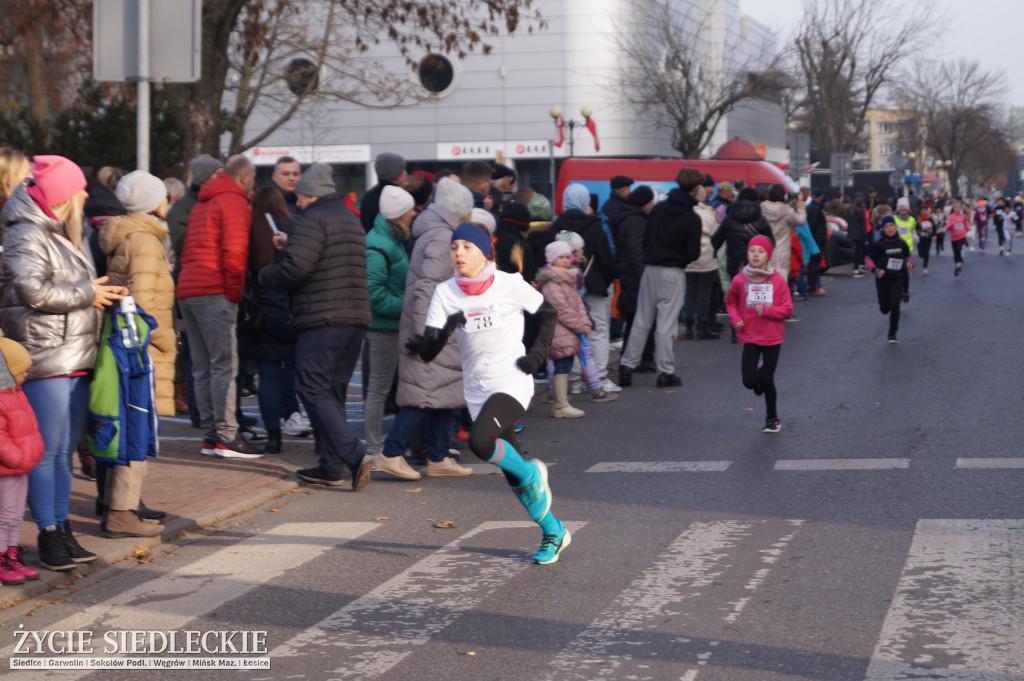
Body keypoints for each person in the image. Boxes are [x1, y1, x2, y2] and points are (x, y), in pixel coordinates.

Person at [408, 222, 569, 564]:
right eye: (454, 247)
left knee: (480, 443)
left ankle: (532, 472)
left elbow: (548, 314)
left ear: (484, 251)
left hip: (511, 381)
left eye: (467, 246)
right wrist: (446, 328)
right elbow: (427, 354)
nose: (459, 253)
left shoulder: (508, 284)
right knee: (511, 471)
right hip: (477, 389)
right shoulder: (446, 292)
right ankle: (554, 531)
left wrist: (537, 356)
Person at [0, 155, 126, 570]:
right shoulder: (27, 234)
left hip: (73, 355)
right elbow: (32, 291)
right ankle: (49, 534)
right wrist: (89, 294)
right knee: (47, 451)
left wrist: (99, 293)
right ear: (62, 197)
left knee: (64, 452)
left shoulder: (61, 232)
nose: (86, 194)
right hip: (46, 356)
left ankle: (61, 528)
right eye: (79, 188)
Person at [259, 162, 375, 489]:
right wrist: (292, 240)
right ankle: (331, 465)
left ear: (310, 195)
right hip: (354, 317)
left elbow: (296, 269)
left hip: (323, 317)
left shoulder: (312, 219)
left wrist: (265, 275)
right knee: (332, 391)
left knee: (310, 386)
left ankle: (352, 455)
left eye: (299, 196)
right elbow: (322, 255)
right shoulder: (348, 220)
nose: (295, 202)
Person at [388, 178, 476, 477]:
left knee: (442, 393)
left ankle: (438, 457)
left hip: (442, 326)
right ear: (460, 214)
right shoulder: (443, 238)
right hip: (435, 328)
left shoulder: (437, 233)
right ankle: (391, 452)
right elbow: (428, 286)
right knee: (423, 394)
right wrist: (428, 331)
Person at [177, 155, 263, 458]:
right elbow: (235, 252)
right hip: (214, 289)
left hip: (189, 288)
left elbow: (189, 247)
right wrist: (234, 293)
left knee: (202, 367)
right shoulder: (233, 201)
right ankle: (227, 436)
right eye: (252, 178)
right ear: (244, 177)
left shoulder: (203, 202)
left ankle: (212, 435)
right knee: (224, 365)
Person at [100, 170, 177, 416]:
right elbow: (143, 302)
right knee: (140, 422)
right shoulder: (145, 241)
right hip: (147, 346)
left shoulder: (131, 235)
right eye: (164, 197)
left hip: (135, 341)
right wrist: (167, 339)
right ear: (153, 203)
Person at [619, 168, 704, 387]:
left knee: (642, 318)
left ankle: (627, 365)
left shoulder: (658, 209)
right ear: (696, 188)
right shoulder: (692, 218)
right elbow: (693, 253)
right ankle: (665, 371)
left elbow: (645, 240)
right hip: (673, 271)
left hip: (650, 268)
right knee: (666, 323)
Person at [247, 187, 305, 454]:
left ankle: (273, 435)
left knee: (268, 374)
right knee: (299, 370)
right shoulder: (292, 226)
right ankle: (309, 422)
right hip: (292, 306)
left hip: (264, 309)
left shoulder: (250, 229)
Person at [365, 186, 417, 479]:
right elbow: (374, 294)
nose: (414, 213)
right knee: (378, 388)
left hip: (394, 325)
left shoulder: (392, 239)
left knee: (387, 387)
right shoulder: (379, 244)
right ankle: (373, 449)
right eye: (409, 210)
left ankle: (385, 446)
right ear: (398, 215)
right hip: (382, 328)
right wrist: (407, 306)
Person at [548, 184, 619, 399]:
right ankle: (598, 376)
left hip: (562, 286)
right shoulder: (595, 225)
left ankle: (575, 379)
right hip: (593, 285)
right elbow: (607, 258)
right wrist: (604, 281)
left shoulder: (555, 226)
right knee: (597, 329)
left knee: (570, 331)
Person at [725, 236, 792, 433]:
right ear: (747, 254)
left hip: (772, 337)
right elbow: (730, 303)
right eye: (752, 250)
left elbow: (787, 309)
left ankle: (772, 418)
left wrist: (768, 311)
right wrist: (735, 318)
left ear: (768, 256)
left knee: (767, 380)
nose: (756, 254)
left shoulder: (777, 280)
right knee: (749, 381)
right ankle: (759, 373)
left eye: (760, 251)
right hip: (750, 335)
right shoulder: (739, 280)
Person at [0, 337, 44, 584]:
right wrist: (16, 458)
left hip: (20, 468)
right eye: (21, 370)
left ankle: (12, 555)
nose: (26, 374)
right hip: (8, 468)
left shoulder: (16, 394)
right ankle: (1, 558)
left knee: (16, 515)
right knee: (5, 516)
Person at [711, 187, 775, 341]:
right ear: (755, 200)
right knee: (756, 297)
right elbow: (771, 242)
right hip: (756, 264)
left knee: (737, 297)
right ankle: (756, 330)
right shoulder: (761, 219)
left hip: (735, 263)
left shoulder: (729, 218)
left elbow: (716, 240)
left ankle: (736, 331)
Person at [537, 239, 592, 418]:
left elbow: (578, 303)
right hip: (559, 331)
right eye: (561, 257)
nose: (565, 260)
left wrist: (585, 322)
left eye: (568, 257)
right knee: (561, 365)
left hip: (569, 330)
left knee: (566, 365)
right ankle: (560, 404)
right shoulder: (552, 282)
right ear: (551, 259)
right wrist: (580, 325)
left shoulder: (567, 278)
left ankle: (561, 401)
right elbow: (561, 309)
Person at [684, 178, 721, 340]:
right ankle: (704, 325)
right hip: (706, 259)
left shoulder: (685, 211)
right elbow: (716, 234)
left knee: (689, 292)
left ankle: (688, 326)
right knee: (704, 293)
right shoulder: (707, 213)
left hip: (688, 259)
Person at [865, 216, 912, 342]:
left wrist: (909, 263)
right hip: (882, 280)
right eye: (886, 226)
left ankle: (892, 333)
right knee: (885, 309)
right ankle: (887, 305)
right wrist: (875, 270)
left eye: (891, 225)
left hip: (897, 279)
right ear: (883, 229)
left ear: (895, 227)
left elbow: (907, 256)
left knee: (895, 305)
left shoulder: (901, 243)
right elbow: (867, 258)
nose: (890, 228)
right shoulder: (878, 245)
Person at [760, 184, 806, 284]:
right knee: (780, 289)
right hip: (781, 256)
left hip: (764, 254)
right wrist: (800, 204)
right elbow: (801, 221)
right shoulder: (787, 211)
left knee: (765, 289)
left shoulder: (762, 209)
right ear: (783, 196)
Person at [360, 152, 407, 233]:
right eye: (403, 170)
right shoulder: (397, 196)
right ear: (395, 174)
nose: (406, 173)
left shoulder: (369, 196)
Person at [804, 188, 828, 296]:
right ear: (819, 197)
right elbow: (812, 225)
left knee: (814, 264)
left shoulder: (812, 207)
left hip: (816, 240)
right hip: (817, 241)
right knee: (814, 265)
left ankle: (812, 286)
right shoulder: (815, 209)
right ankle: (812, 287)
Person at [946, 198, 970, 276]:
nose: (957, 208)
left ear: (961, 208)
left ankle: (965, 241)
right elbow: (947, 228)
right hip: (954, 237)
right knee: (955, 253)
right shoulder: (950, 217)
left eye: (959, 207)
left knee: (958, 248)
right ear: (953, 208)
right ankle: (958, 266)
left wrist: (968, 227)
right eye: (956, 207)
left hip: (962, 235)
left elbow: (966, 224)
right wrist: (951, 224)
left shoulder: (963, 216)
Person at [846, 196, 869, 276]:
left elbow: (849, 224)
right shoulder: (861, 213)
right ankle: (858, 267)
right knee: (860, 251)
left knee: (856, 251)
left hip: (852, 234)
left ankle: (857, 267)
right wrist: (865, 238)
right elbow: (863, 227)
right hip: (859, 235)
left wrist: (848, 235)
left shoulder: (850, 211)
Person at [916, 204, 936, 274]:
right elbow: (916, 228)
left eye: (925, 210)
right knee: (921, 253)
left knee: (927, 252)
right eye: (922, 211)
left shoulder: (930, 219)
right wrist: (917, 234)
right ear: (920, 212)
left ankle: (925, 267)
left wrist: (934, 235)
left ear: (927, 211)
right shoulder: (918, 219)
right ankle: (921, 254)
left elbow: (934, 228)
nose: (924, 212)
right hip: (921, 237)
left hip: (928, 237)